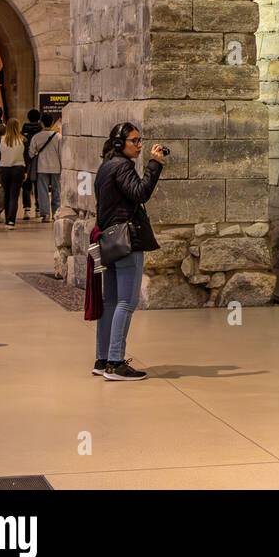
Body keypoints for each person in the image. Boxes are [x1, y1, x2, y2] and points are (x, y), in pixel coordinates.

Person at [93, 122, 165, 381]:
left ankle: (102, 359)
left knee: (111, 302)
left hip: (109, 240)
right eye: (134, 141)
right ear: (118, 143)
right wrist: (155, 165)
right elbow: (140, 193)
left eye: (140, 140)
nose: (139, 145)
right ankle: (115, 363)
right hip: (127, 240)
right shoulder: (122, 166)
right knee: (126, 302)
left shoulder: (106, 166)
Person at [28, 113, 62, 222]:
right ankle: (56, 213)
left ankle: (45, 214)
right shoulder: (58, 137)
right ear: (52, 123)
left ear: (41, 123)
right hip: (56, 167)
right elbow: (62, 153)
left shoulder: (36, 137)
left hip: (42, 167)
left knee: (43, 191)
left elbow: (31, 153)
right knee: (57, 190)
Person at [0, 118, 26, 228]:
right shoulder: (23, 140)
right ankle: (11, 221)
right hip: (18, 169)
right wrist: (26, 170)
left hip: (4, 168)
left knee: (7, 194)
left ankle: (6, 218)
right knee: (14, 195)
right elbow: (26, 157)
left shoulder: (1, 139)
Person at [21, 109, 42, 218]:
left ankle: (27, 209)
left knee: (26, 185)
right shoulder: (41, 130)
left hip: (26, 161)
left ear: (28, 118)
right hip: (39, 161)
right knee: (38, 185)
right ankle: (38, 208)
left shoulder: (23, 131)